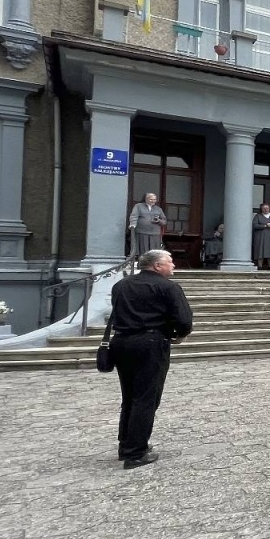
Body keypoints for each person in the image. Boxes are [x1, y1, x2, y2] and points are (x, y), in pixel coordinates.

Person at [108, 248, 193, 469]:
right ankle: (135, 453)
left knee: (130, 395)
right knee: (146, 398)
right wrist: (180, 336)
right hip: (151, 343)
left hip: (121, 342)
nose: (173, 265)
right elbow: (184, 319)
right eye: (170, 261)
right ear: (156, 266)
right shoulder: (168, 287)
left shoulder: (120, 285)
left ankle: (126, 444)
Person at [128, 192, 167, 258]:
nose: (153, 201)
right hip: (142, 231)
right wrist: (133, 224)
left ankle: (152, 265)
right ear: (146, 199)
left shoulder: (158, 209)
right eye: (151, 199)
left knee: (154, 252)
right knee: (143, 250)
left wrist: (158, 221)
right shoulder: (138, 206)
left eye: (154, 199)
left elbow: (164, 221)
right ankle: (142, 264)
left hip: (155, 233)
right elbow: (134, 216)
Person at [252, 203, 270, 269]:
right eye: (264, 208)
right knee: (260, 251)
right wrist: (265, 226)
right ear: (261, 209)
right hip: (261, 237)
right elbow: (255, 225)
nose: (265, 210)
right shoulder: (258, 216)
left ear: (269, 209)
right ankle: (260, 265)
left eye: (267, 208)